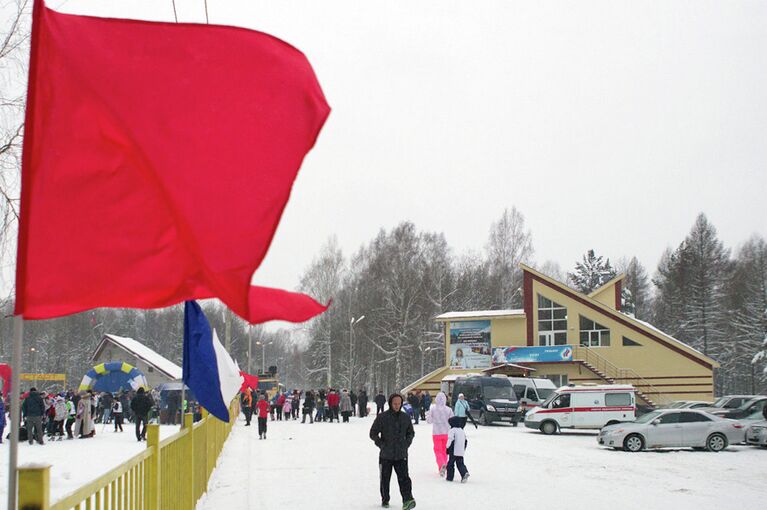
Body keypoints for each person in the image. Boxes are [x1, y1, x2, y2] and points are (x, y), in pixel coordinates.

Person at [370, 393, 416, 510]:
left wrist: (407, 443)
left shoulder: (405, 417)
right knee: (385, 479)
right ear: (390, 403)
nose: (397, 406)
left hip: (401, 454)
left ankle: (407, 499)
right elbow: (373, 433)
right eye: (394, 404)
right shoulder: (382, 417)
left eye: (399, 404)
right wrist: (381, 444)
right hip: (386, 455)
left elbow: (411, 432)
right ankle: (385, 499)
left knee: (404, 478)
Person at [426, 392, 453, 476]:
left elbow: (429, 421)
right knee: (445, 450)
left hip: (436, 433)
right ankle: (445, 463)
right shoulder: (449, 409)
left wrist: (428, 416)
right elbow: (452, 420)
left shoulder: (433, 409)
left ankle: (441, 465)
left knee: (437, 450)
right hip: (446, 433)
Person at [445, 416, 469, 483]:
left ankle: (450, 477)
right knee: (460, 463)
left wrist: (447, 447)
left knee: (450, 464)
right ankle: (464, 473)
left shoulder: (452, 430)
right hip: (460, 450)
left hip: (453, 450)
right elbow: (465, 440)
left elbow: (450, 439)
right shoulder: (462, 431)